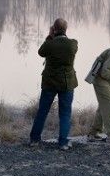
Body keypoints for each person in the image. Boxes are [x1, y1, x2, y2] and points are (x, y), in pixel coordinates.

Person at [29, 18, 79, 150]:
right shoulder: (73, 44)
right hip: (67, 83)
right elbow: (65, 44)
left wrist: (50, 36)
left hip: (50, 82)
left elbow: (41, 52)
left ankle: (34, 139)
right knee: (65, 113)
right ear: (66, 29)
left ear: (54, 29)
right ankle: (63, 142)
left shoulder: (50, 44)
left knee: (42, 111)